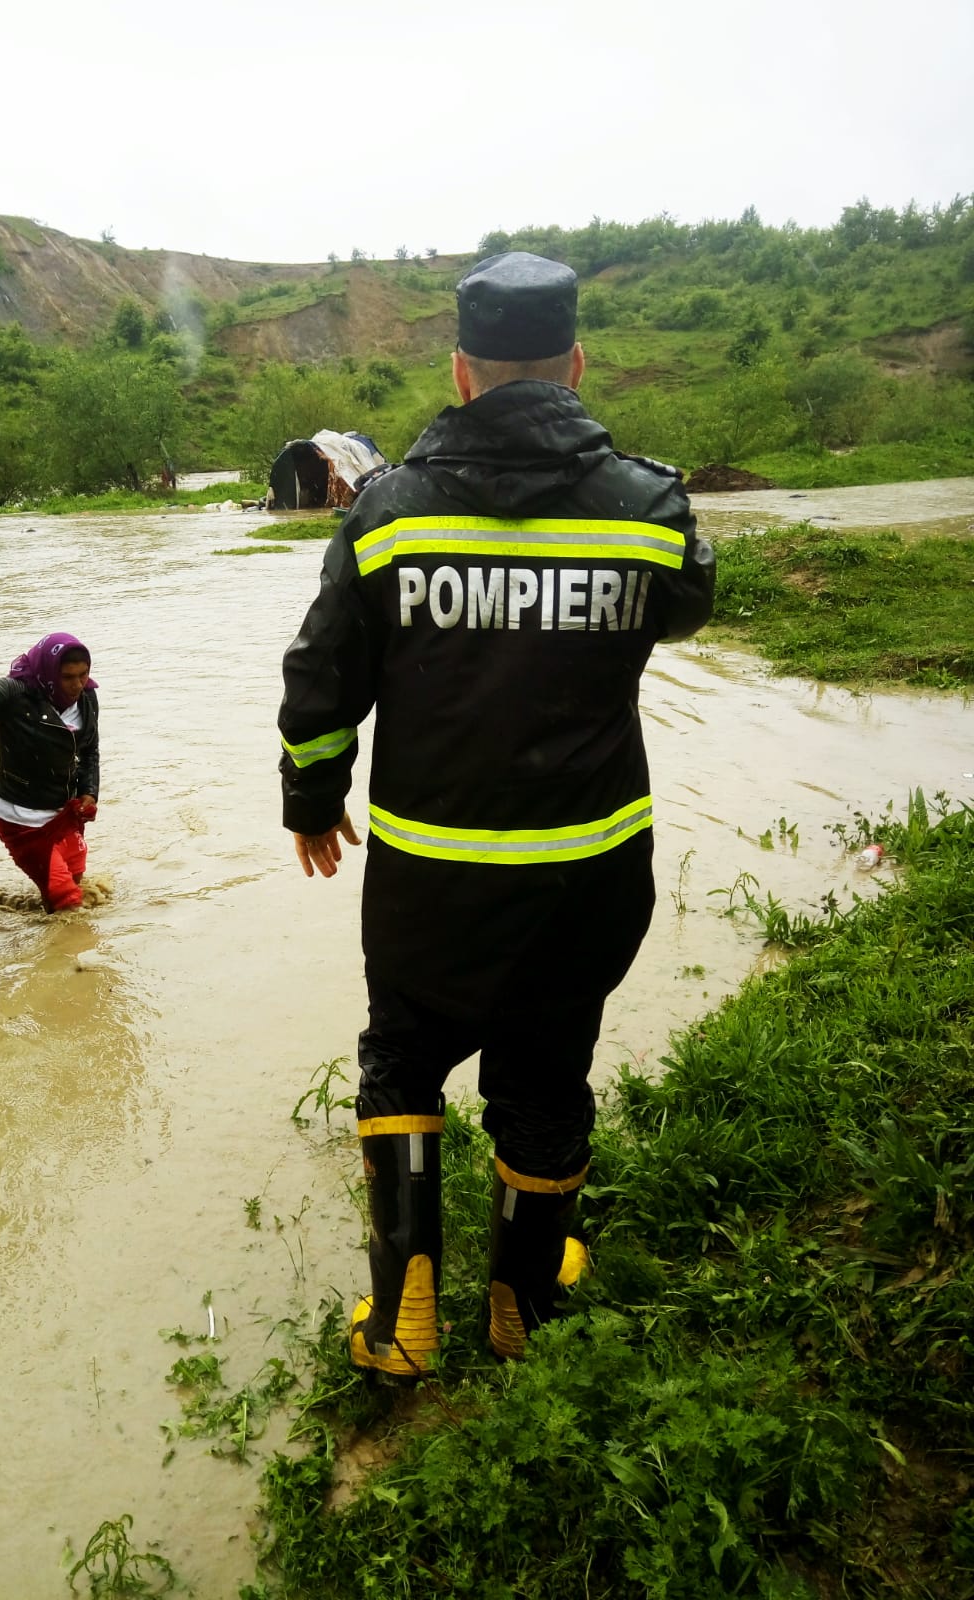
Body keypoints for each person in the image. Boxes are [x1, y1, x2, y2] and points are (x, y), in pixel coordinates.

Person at [278, 252, 716, 1379]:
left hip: (432, 876)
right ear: (576, 365)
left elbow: (321, 680)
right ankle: (522, 1301)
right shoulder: (649, 506)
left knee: (404, 1054)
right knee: (548, 1064)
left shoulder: (386, 514)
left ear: (461, 373)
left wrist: (313, 798)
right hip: (589, 870)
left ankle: (403, 1320)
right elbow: (686, 611)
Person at [0, 633, 100, 913]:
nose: (78, 685)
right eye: (68, 677)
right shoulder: (11, 693)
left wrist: (89, 792)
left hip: (64, 813)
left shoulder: (87, 698)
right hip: (22, 818)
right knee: (66, 901)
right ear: (49, 672)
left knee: (75, 884)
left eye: (84, 674)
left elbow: (90, 751)